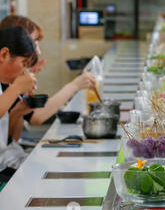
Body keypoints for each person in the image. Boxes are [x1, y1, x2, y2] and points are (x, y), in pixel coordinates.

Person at [0, 15, 97, 128]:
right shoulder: (9, 81)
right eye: (34, 43)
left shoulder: (13, 78)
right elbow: (36, 117)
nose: (38, 51)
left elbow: (9, 138)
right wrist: (75, 85)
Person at [0, 26, 37, 176]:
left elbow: (8, 140)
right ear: (4, 54)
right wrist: (16, 88)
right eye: (24, 63)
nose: (24, 72)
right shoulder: (10, 88)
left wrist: (18, 112)